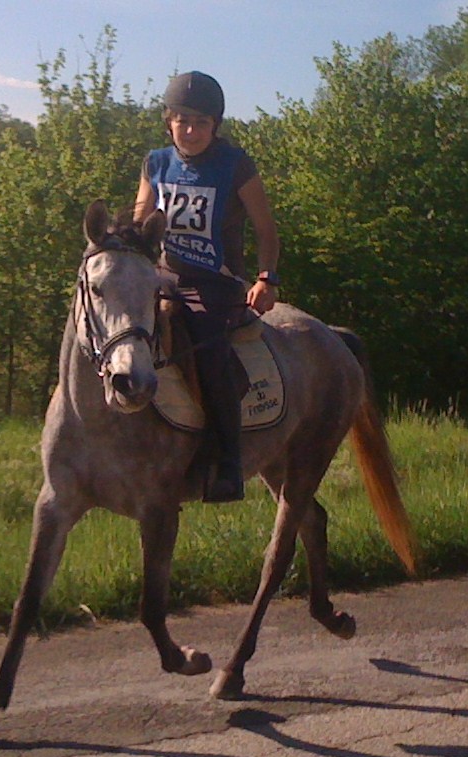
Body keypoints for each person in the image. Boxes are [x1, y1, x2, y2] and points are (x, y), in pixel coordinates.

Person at [134, 71, 281, 501]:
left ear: (215, 125)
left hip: (215, 284)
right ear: (169, 121)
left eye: (201, 122)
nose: (192, 130)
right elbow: (143, 227)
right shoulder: (156, 163)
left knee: (208, 346)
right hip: (164, 278)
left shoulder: (235, 165)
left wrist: (265, 277)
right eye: (183, 120)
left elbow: (266, 230)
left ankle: (228, 462)